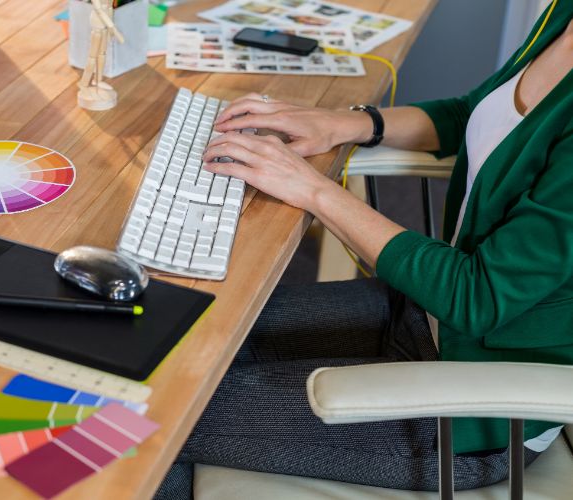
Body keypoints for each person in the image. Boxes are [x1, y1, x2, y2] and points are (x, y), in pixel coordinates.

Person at [155, 1, 573, 498]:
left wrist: (312, 189)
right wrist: (344, 124)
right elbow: (473, 112)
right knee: (169, 339)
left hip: (476, 412)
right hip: (426, 318)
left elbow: (477, 297)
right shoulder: (562, 16)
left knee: (156, 413)